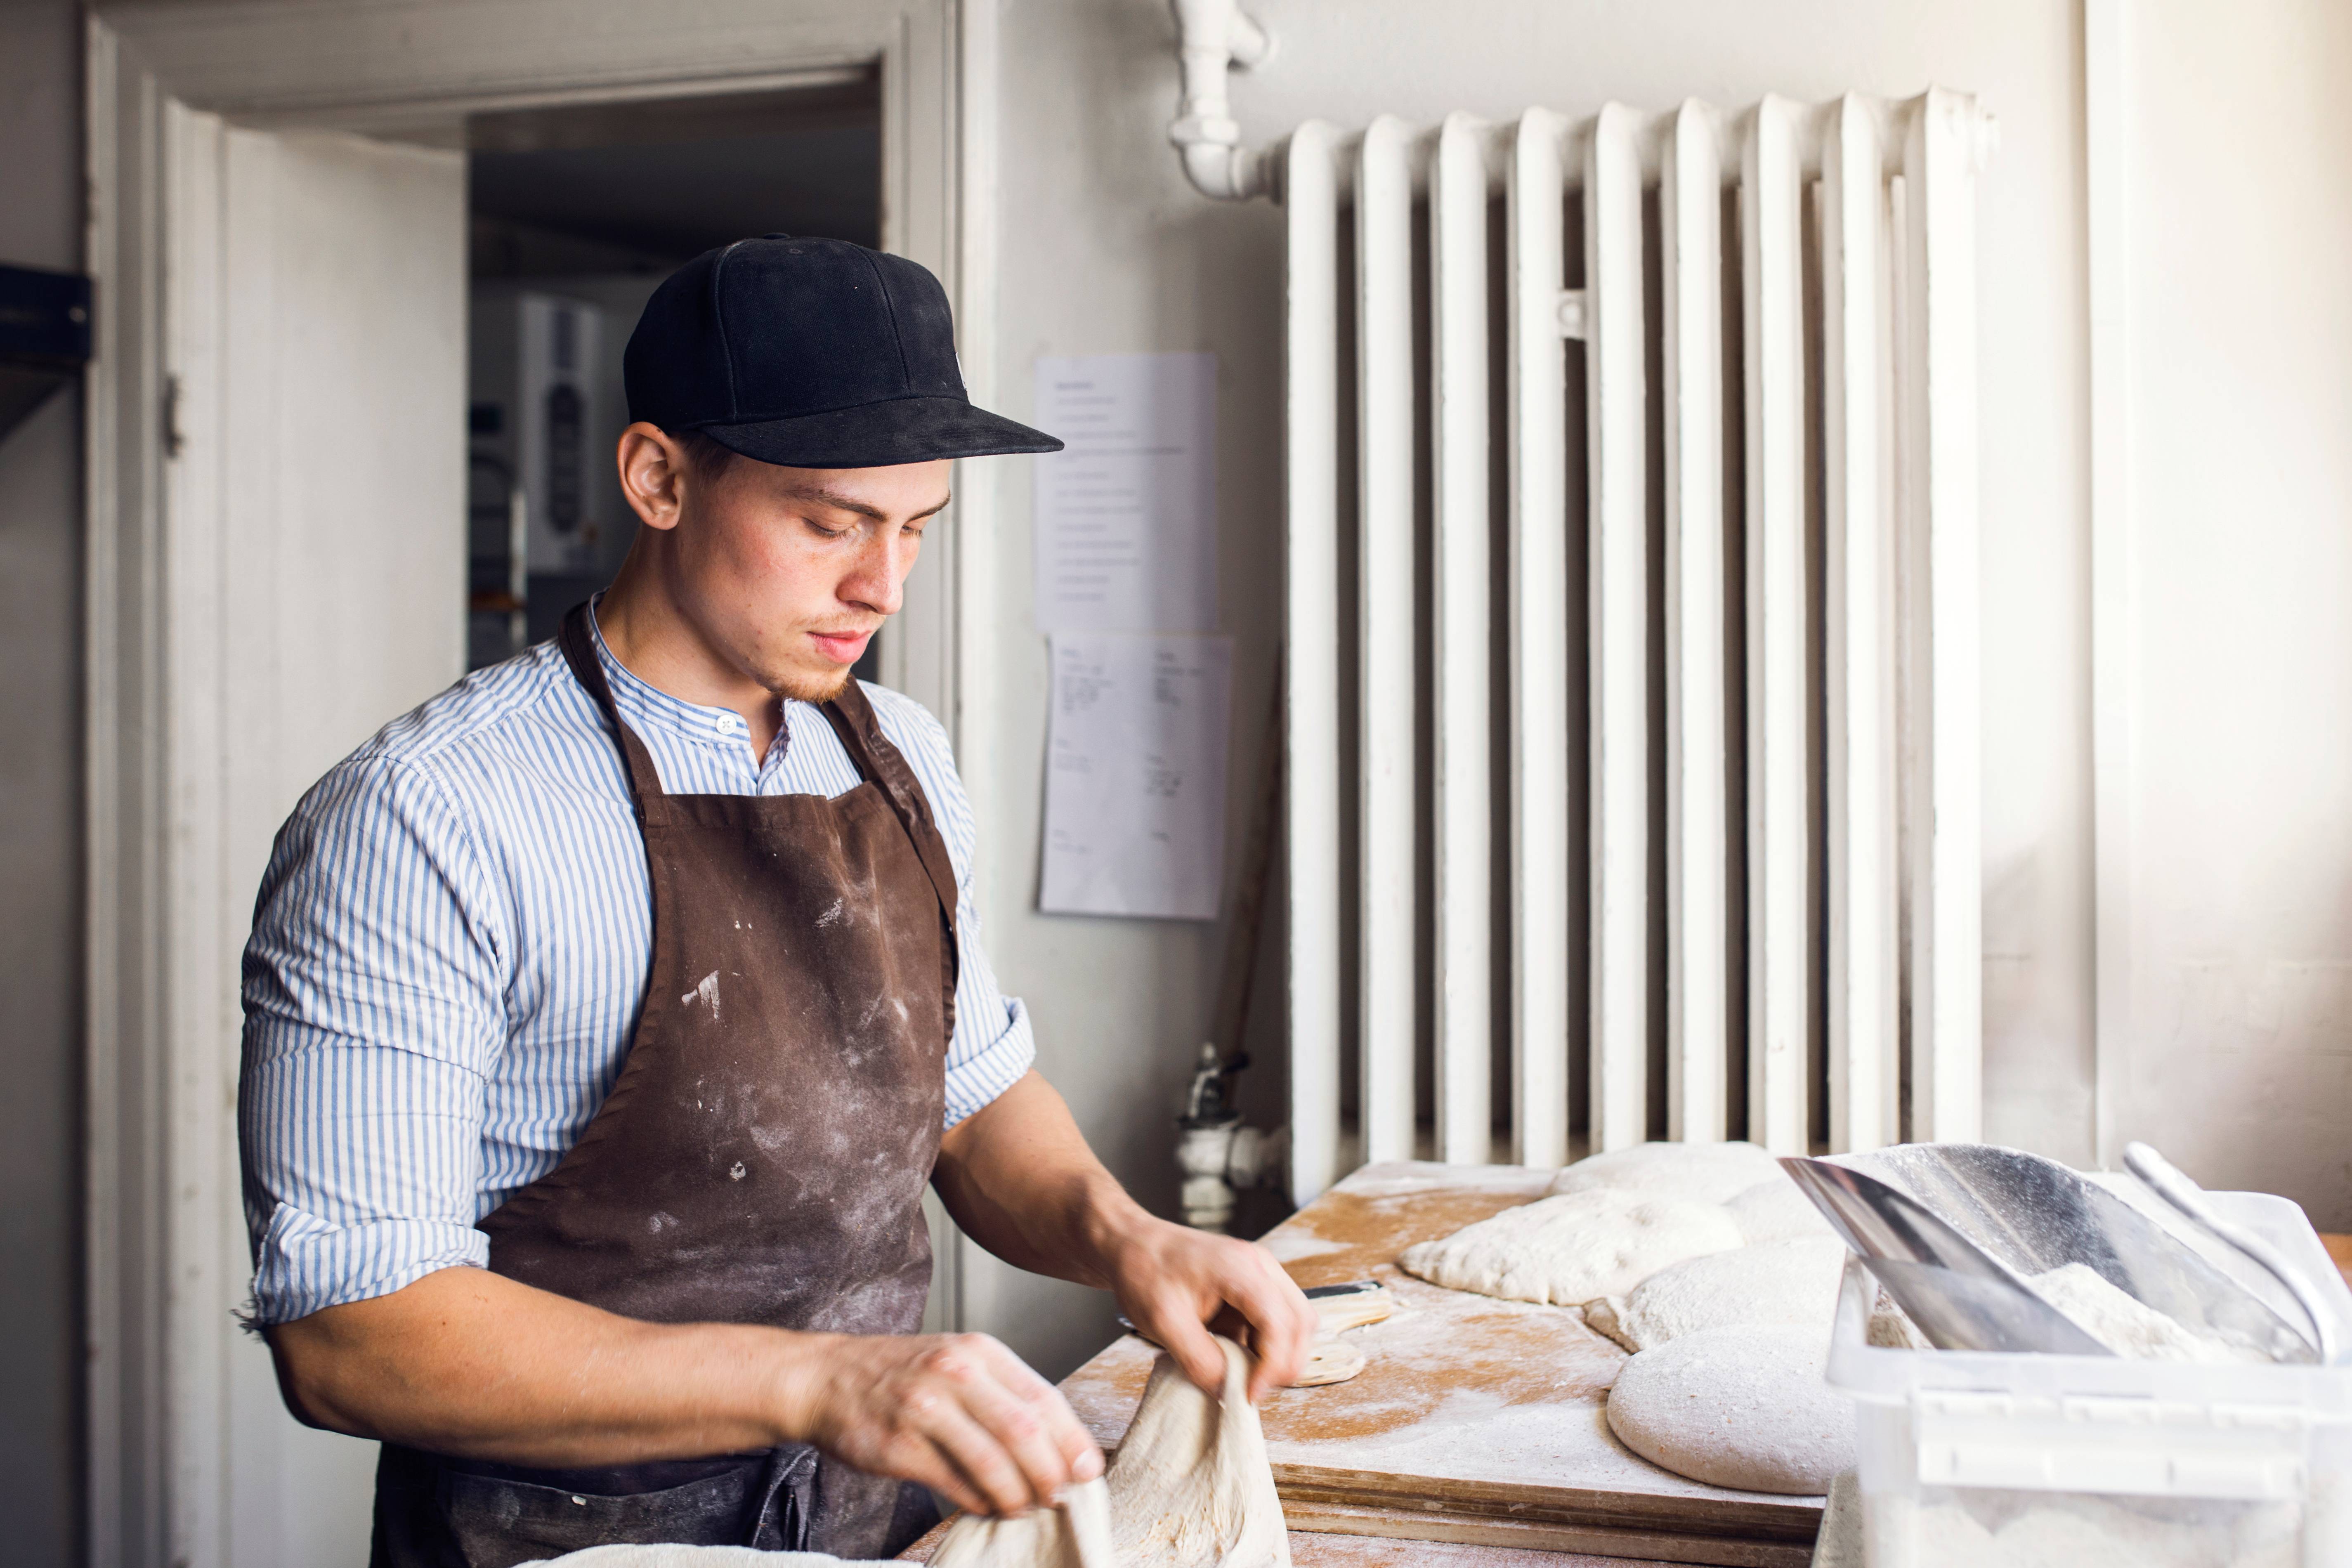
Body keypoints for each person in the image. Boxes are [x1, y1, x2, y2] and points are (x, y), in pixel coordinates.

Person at [237, 235, 1316, 1568]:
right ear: (658, 478)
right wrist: (824, 1383)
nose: (882, 587)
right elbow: (351, 1337)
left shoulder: (898, 755)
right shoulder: (427, 818)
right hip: (570, 1544)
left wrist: (1126, 1236)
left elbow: (967, 1101)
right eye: (828, 522)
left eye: (914, 528)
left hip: (876, 1521)